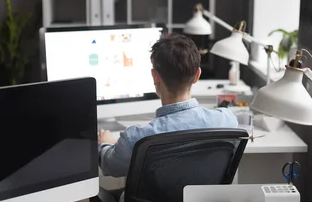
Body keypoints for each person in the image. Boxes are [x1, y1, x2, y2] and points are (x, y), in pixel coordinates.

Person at [97, 33, 238, 178]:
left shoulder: (135, 139)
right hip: (202, 201)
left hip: (147, 201)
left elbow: (110, 167)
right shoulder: (226, 121)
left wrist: (104, 144)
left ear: (155, 77)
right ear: (197, 75)